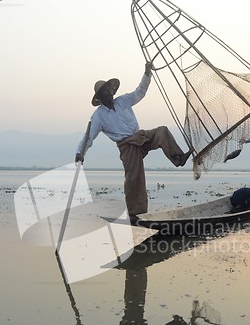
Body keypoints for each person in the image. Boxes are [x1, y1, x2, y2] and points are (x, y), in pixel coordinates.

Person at [75, 62, 192, 220]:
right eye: (105, 92)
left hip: (141, 137)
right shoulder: (98, 116)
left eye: (109, 90)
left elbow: (140, 92)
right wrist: (80, 153)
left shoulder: (123, 100)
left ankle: (178, 157)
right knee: (133, 179)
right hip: (127, 146)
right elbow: (88, 136)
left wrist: (147, 73)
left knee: (162, 132)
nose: (109, 93)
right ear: (100, 97)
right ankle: (135, 214)